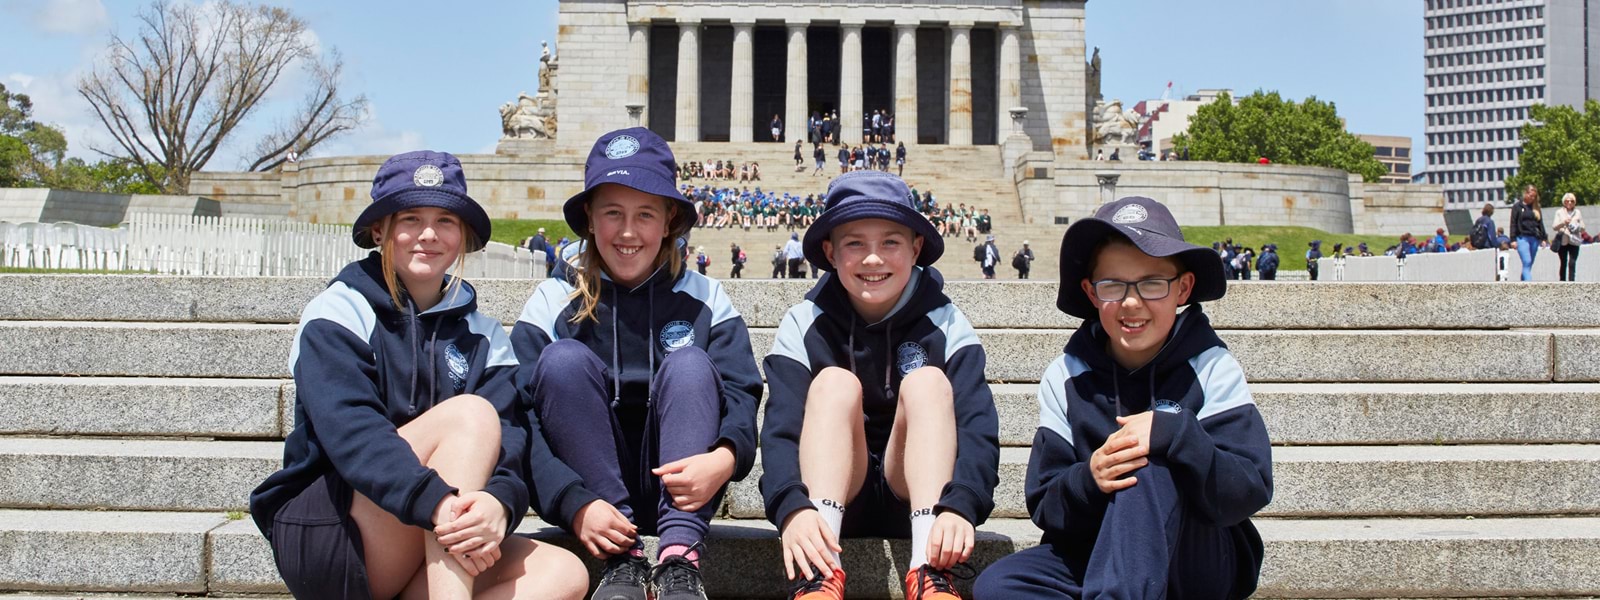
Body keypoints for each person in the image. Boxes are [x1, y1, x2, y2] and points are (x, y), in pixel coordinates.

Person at [249, 150, 587, 600]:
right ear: (379, 231)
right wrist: (440, 504)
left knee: (564, 574)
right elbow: (352, 434)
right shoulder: (338, 311)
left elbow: (511, 440)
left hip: (429, 531)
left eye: (446, 221)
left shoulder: (485, 335)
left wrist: (497, 503)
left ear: (462, 235)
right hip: (335, 533)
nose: (428, 234)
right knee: (469, 415)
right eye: (410, 218)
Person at [973, 196, 1271, 599]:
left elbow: (1247, 490)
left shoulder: (1211, 366)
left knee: (1145, 465)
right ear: (1091, 293)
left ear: (1183, 288)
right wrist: (1090, 478)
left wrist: (1177, 435)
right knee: (998, 586)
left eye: (1152, 283)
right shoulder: (1066, 376)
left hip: (1197, 557)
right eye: (1113, 285)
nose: (1132, 302)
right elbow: (1046, 504)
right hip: (1098, 550)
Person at [511, 128, 763, 600]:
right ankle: (622, 562)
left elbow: (742, 394)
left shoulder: (706, 297)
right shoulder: (552, 300)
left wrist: (724, 460)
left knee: (690, 364)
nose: (628, 232)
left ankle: (680, 559)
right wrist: (573, 500)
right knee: (562, 361)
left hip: (684, 487)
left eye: (645, 214)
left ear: (669, 220)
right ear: (588, 218)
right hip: (591, 494)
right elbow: (518, 416)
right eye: (613, 213)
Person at [760, 171, 999, 600]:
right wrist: (790, 506)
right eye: (855, 243)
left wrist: (962, 503)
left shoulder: (947, 322)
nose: (874, 259)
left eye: (890, 242)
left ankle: (929, 570)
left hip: (915, 496)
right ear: (830, 253)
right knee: (834, 383)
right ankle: (819, 574)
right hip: (829, 500)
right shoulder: (802, 322)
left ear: (916, 248)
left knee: (926, 382)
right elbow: (780, 428)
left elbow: (978, 426)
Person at [1511, 184, 1549, 281]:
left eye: (1534, 197)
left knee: (1528, 264)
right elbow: (1513, 223)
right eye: (1530, 196)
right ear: (1526, 193)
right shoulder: (1517, 207)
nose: (1532, 198)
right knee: (1527, 261)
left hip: (1534, 238)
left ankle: (1523, 283)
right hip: (1522, 238)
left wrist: (1543, 238)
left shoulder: (1536, 208)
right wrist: (1513, 239)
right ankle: (1529, 285)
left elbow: (1540, 223)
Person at [1554, 192, 1586, 281]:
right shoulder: (1559, 212)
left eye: (1572, 201)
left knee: (1572, 262)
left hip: (1574, 240)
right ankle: (1562, 281)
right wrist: (1563, 222)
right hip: (1563, 240)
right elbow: (1554, 226)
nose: (1569, 203)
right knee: (1563, 262)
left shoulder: (1577, 212)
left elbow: (1583, 227)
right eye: (1567, 201)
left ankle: (1572, 282)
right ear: (1564, 202)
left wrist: (1576, 225)